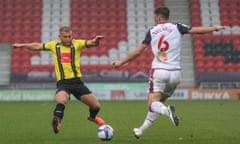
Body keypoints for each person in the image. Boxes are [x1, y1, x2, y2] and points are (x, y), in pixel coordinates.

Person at [112, 7, 225, 139]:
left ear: (158, 17)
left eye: (156, 17)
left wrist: (121, 62)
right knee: (157, 104)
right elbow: (198, 31)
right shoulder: (177, 27)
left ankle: (167, 110)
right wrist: (214, 28)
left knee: (152, 104)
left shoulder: (152, 31)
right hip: (176, 74)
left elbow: (138, 51)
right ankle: (141, 130)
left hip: (159, 71)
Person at [13, 26, 106, 134]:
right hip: (63, 83)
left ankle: (92, 117)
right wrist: (22, 45)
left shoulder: (77, 43)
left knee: (96, 106)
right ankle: (57, 121)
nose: (68, 39)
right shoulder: (54, 45)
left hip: (77, 82)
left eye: (70, 36)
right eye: (65, 37)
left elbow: (92, 43)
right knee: (61, 100)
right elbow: (37, 46)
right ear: (60, 37)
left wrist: (96, 41)